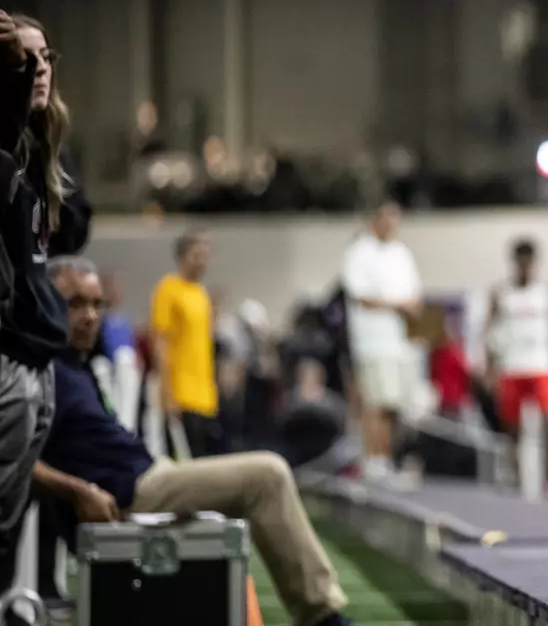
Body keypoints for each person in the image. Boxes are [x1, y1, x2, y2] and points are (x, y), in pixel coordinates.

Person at [36, 259, 351, 626]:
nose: (90, 316)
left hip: (150, 473)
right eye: (75, 303)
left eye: (96, 304)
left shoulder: (75, 365)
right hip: (131, 491)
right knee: (268, 473)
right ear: (45, 302)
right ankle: (324, 617)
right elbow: (15, 459)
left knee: (262, 469)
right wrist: (78, 491)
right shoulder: (44, 372)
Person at [0, 13, 81, 581]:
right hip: (9, 354)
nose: (40, 70)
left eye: (45, 57)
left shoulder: (40, 153)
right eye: (24, 59)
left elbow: (77, 228)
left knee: (10, 517)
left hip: (38, 355)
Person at [341, 202, 423, 482]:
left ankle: (387, 458)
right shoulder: (359, 252)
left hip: (400, 344)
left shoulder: (401, 254)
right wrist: (398, 305)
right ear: (375, 219)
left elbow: (413, 297)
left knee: (394, 405)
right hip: (373, 343)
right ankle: (374, 460)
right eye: (387, 219)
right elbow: (361, 296)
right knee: (376, 402)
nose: (392, 225)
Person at [486, 239, 548, 475]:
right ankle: (514, 477)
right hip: (512, 367)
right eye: (520, 262)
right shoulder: (500, 294)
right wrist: (490, 369)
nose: (524, 267)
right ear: (515, 263)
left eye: (529, 262)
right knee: (512, 430)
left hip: (543, 366)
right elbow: (489, 334)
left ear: (535, 263)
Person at [150, 231, 221, 457]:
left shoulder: (201, 294)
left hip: (205, 398)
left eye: (206, 255)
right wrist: (168, 396)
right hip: (181, 396)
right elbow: (160, 344)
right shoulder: (168, 289)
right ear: (182, 256)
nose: (203, 260)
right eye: (197, 254)